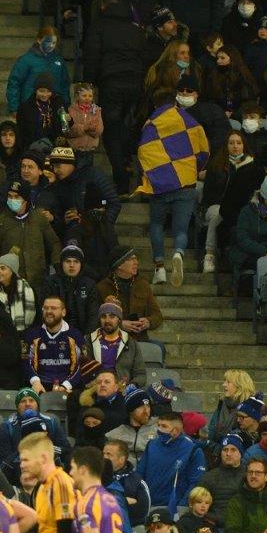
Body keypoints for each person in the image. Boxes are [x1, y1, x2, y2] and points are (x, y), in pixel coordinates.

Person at [136, 81, 209, 287]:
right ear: (174, 101)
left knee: (156, 224)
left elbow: (143, 153)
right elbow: (203, 150)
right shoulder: (190, 121)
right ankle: (178, 253)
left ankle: (159, 268)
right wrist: (194, 169)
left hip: (160, 185)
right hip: (185, 183)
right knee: (181, 230)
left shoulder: (151, 124)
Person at [96, 246, 163, 342]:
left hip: (139, 340)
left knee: (159, 348)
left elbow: (157, 316)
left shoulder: (143, 284)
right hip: (112, 340)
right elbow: (95, 319)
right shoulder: (102, 287)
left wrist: (148, 322)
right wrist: (120, 324)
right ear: (119, 265)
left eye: (136, 259)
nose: (136, 262)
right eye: (131, 259)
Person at [22, 295, 85, 394]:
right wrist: (35, 382)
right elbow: (25, 361)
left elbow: (82, 365)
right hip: (38, 386)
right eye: (46, 308)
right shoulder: (32, 334)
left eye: (54, 308)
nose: (49, 311)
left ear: (63, 312)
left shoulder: (75, 335)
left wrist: (66, 385)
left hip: (68, 388)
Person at [87, 298, 146, 386]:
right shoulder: (89, 340)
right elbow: (83, 372)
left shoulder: (130, 342)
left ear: (119, 319)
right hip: (97, 388)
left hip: (122, 389)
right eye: (103, 317)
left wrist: (132, 386)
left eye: (112, 316)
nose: (107, 320)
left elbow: (141, 374)